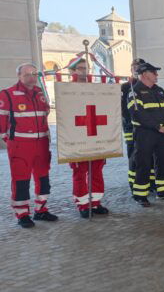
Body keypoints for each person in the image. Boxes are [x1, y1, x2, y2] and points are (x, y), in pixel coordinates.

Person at [0, 63, 58, 228]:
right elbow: (1, 122)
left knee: (43, 178)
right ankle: (22, 214)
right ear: (19, 76)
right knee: (21, 180)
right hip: (20, 145)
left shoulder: (39, 93)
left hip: (41, 144)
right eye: (27, 74)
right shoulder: (7, 94)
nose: (31, 77)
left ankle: (41, 209)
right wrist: (11, 140)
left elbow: (45, 113)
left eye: (34, 74)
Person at [127, 62, 164, 206]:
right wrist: (158, 127)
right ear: (144, 74)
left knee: (163, 162)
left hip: (163, 134)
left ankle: (162, 191)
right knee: (143, 164)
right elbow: (138, 114)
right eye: (154, 72)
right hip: (145, 134)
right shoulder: (134, 92)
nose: (157, 75)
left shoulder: (160, 90)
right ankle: (140, 195)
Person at [67, 57, 109, 218]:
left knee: (97, 170)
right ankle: (83, 204)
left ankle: (96, 202)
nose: (84, 71)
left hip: (95, 133)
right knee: (80, 171)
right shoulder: (67, 89)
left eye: (86, 68)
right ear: (72, 71)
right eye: (80, 68)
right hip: (78, 135)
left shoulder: (95, 88)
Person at [121, 58, 146, 191]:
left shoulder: (148, 87)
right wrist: (133, 121)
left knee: (148, 156)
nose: (136, 69)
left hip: (145, 128)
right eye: (134, 67)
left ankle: (149, 183)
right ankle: (133, 182)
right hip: (131, 127)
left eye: (140, 66)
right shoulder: (126, 87)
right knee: (133, 154)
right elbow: (123, 109)